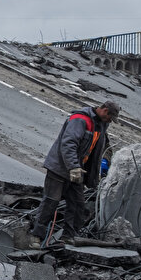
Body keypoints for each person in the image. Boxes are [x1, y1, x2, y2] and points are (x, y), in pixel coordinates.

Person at [29, 100, 120, 247]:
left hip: (78, 170)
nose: (110, 121)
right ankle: (36, 236)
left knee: (77, 204)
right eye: (110, 117)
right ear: (104, 110)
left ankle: (68, 237)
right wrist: (73, 167)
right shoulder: (80, 119)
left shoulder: (101, 124)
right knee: (51, 201)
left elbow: (100, 147)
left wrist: (94, 171)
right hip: (60, 168)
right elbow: (68, 143)